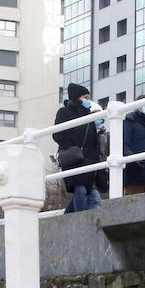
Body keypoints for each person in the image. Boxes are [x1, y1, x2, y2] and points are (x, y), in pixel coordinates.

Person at [53, 83, 108, 212]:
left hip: (90, 162)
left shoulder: (89, 116)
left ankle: (71, 220)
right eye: (85, 97)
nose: (88, 100)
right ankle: (79, 220)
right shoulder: (63, 112)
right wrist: (72, 147)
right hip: (74, 160)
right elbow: (57, 134)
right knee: (81, 190)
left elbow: (94, 142)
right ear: (77, 97)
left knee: (93, 195)